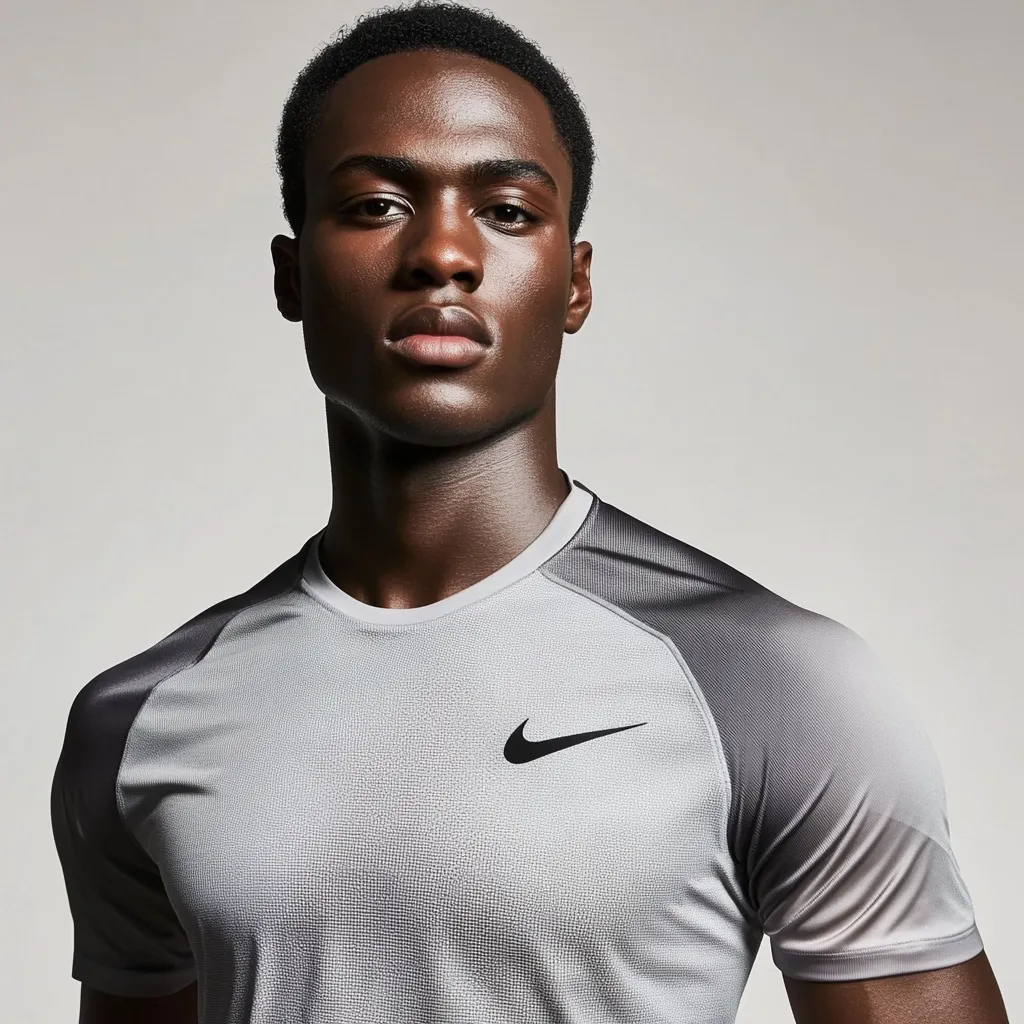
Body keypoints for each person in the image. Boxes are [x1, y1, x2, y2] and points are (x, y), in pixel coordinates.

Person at [51, 3, 1008, 1023]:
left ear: (574, 283)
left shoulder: (769, 682)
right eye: (376, 205)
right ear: (291, 275)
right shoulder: (139, 720)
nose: (444, 255)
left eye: (506, 211)